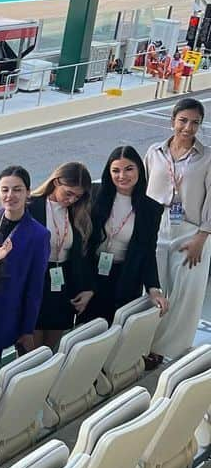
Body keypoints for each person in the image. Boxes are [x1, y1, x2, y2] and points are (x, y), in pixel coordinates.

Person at [145, 97, 211, 363]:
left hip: (192, 230)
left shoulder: (207, 158)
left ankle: (167, 350)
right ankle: (146, 345)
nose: (188, 127)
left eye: (195, 123)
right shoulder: (154, 152)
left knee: (185, 295)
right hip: (157, 227)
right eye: (183, 120)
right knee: (152, 289)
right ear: (172, 121)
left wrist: (202, 237)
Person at [86, 146, 168, 325]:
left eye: (129, 169)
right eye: (116, 170)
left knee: (117, 330)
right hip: (92, 274)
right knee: (89, 330)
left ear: (139, 169)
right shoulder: (93, 195)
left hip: (126, 277)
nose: (122, 176)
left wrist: (154, 289)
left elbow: (148, 251)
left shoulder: (150, 209)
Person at [0, 166, 51, 361]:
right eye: (5, 190)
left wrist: (27, 329)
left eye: (17, 189)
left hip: (5, 311)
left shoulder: (39, 235)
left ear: (28, 192)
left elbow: (35, 287)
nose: (10, 195)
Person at [28, 162, 95, 349]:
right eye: (68, 193)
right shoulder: (31, 207)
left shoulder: (78, 212)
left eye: (78, 196)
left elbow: (83, 256)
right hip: (37, 282)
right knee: (31, 350)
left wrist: (88, 288)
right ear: (56, 182)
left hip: (63, 283)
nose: (72, 200)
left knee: (51, 349)